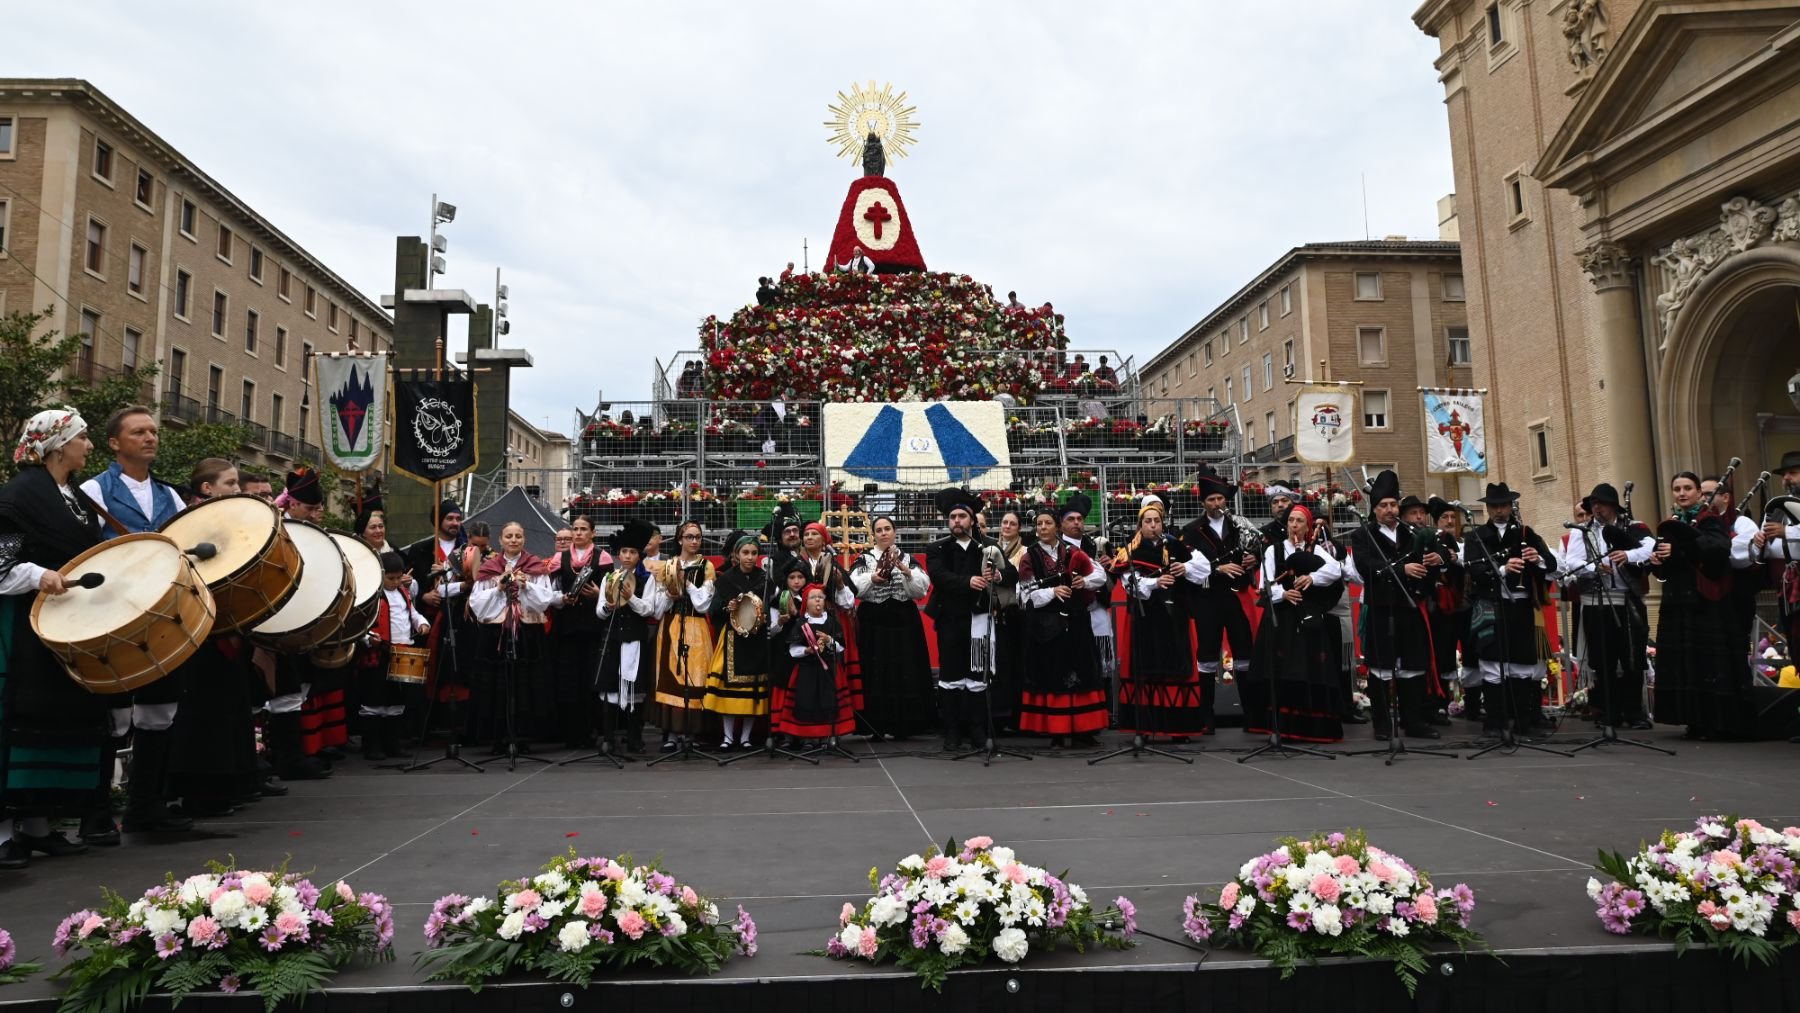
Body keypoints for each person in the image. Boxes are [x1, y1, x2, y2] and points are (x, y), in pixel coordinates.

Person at [0, 409, 111, 869]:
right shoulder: (19, 494)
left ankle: (39, 826)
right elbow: (1, 564)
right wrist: (38, 574)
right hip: (21, 625)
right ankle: (3, 833)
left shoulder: (76, 497)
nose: (89, 445)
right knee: (14, 722)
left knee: (54, 720)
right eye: (83, 437)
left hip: (62, 626)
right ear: (59, 443)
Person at [77, 407, 192, 835]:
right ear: (114, 443)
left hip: (162, 616)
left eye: (153, 431)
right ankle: (97, 812)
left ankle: (147, 804)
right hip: (113, 614)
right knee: (114, 717)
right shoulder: (94, 490)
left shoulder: (172, 496)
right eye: (139, 432)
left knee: (159, 711)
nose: (150, 438)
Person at [164, 459, 263, 818]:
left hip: (226, 626)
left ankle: (229, 784)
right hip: (199, 625)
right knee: (204, 711)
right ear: (207, 489)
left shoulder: (225, 520)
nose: (237, 490)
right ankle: (201, 791)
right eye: (231, 483)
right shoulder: (191, 524)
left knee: (228, 707)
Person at [1649, 473, 1752, 740]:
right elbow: (1668, 566)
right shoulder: (1671, 523)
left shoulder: (1710, 520)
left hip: (1705, 603)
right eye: (1676, 489)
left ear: (1698, 493)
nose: (1682, 493)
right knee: (1685, 663)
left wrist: (1681, 550)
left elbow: (1719, 549)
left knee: (1707, 662)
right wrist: (1657, 560)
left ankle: (1714, 722)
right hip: (1677, 602)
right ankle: (1692, 719)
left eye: (1687, 488)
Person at [1344, 470, 1445, 740]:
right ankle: (1381, 724)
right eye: (1384, 506)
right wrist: (1401, 570)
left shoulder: (1414, 532)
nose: (1390, 510)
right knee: (1381, 668)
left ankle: (1414, 721)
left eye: (1393, 504)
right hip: (1381, 608)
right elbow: (1367, 567)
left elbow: (1431, 563)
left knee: (1413, 666)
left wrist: (1435, 561)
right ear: (1374, 509)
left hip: (1411, 606)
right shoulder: (1363, 535)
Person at [924, 488, 1015, 751]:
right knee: (951, 675)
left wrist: (997, 577)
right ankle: (951, 731)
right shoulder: (937, 548)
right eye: (952, 517)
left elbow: (1011, 575)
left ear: (972, 520)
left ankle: (977, 729)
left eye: (962, 516)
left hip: (979, 620)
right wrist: (969, 581)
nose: (956, 521)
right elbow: (939, 576)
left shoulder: (988, 547)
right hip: (950, 620)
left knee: (978, 675)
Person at [1246, 503, 1346, 743]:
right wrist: (1284, 594)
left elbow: (1335, 570)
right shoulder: (1274, 550)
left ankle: (1307, 725)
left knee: (1308, 666)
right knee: (1281, 667)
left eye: (1300, 521)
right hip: (1282, 617)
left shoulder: (1316, 550)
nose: (1294, 525)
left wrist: (1312, 577)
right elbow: (1265, 584)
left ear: (1307, 526)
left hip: (1307, 616)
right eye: (1291, 520)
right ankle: (1279, 725)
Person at [1462, 483, 1554, 741]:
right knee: (1492, 664)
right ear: (1488, 508)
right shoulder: (1476, 536)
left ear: (1510, 506)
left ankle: (1523, 719)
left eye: (1503, 505)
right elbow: (1473, 569)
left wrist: (1537, 559)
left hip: (1522, 604)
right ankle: (1494, 720)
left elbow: (1552, 564)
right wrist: (1502, 569)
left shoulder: (1526, 533)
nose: (1499, 511)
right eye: (1494, 506)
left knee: (1521, 663)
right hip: (1491, 604)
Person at [1561, 483, 1655, 730]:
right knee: (1603, 660)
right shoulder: (1583, 531)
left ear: (1613, 505)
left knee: (1632, 658)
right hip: (1596, 602)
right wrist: (1594, 567)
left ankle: (1634, 712)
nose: (1596, 508)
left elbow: (1651, 548)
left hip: (1627, 600)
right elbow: (1571, 560)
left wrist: (1628, 555)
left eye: (1600, 503)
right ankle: (1609, 711)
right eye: (1593, 504)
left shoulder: (1633, 527)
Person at [1014, 509, 1110, 748]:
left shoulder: (1073, 552)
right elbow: (1025, 593)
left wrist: (1083, 581)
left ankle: (1082, 731)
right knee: (1053, 677)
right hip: (1047, 628)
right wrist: (1052, 591)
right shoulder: (1030, 556)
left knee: (1082, 675)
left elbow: (1098, 574)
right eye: (1039, 523)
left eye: (1047, 523)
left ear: (1057, 526)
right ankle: (1057, 732)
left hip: (1076, 623)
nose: (1043, 527)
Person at [262, 468, 335, 782]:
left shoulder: (308, 532)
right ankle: (278, 758)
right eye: (308, 508)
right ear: (292, 505)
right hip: (273, 619)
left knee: (294, 689)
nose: (314, 513)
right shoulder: (275, 529)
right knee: (275, 691)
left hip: (300, 619)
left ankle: (292, 755)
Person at [1112, 496, 1206, 740]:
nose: (1153, 525)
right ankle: (1144, 728)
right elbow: (1130, 585)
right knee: (1146, 668)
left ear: (1162, 523)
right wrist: (1156, 582)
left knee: (1176, 666)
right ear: (1140, 524)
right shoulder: (1131, 550)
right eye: (1148, 521)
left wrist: (1184, 569)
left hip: (1175, 615)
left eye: (1156, 520)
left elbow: (1204, 568)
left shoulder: (1176, 546)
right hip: (1146, 617)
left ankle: (1179, 728)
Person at [467, 521, 558, 751]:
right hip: (497, 633)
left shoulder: (534, 566)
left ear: (524, 539)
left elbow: (545, 600)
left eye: (518, 536)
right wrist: (498, 589)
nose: (514, 540)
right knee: (497, 683)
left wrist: (526, 585)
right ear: (501, 540)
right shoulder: (490, 567)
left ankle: (523, 736)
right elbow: (476, 603)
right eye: (509, 536)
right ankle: (498, 736)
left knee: (525, 683)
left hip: (527, 632)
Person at [1180, 469, 1258, 733]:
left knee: (1244, 654)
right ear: (1203, 502)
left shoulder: (1239, 526)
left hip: (1236, 597)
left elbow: (1255, 552)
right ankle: (1206, 718)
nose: (1216, 504)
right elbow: (1187, 566)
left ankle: (1251, 716)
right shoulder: (1191, 531)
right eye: (1211, 500)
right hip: (1208, 599)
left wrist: (1251, 560)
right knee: (1208, 656)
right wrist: (1217, 570)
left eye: (1220, 499)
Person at [849, 516, 933, 741]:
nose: (884, 533)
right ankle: (876, 724)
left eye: (887, 529)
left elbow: (921, 590)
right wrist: (871, 579)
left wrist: (907, 572)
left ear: (895, 532)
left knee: (905, 668)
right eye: (879, 530)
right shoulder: (864, 559)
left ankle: (905, 724)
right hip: (873, 622)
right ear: (873, 534)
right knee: (875, 670)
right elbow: (853, 586)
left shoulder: (907, 558)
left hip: (903, 621)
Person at [706, 531, 782, 750]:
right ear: (736, 555)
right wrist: (726, 608)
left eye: (753, 553)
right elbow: (713, 612)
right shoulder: (726, 580)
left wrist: (769, 616)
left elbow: (774, 604)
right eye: (745, 553)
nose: (750, 557)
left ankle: (746, 737)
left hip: (757, 640)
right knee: (729, 691)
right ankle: (728, 737)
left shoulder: (764, 579)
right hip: (732, 639)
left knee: (752, 692)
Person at [593, 518, 659, 753]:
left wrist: (630, 597)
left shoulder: (647, 579)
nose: (628, 555)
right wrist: (609, 607)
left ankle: (634, 737)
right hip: (613, 638)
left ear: (639, 555)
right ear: (618, 554)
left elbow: (649, 610)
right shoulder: (608, 578)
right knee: (610, 688)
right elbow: (600, 612)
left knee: (634, 690)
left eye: (633, 552)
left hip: (635, 639)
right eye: (624, 551)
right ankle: (608, 738)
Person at [652, 520, 716, 751]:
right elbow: (657, 607)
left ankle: (691, 733)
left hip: (696, 627)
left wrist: (686, 583)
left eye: (697, 537)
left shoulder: (706, 566)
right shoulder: (666, 566)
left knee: (696, 677)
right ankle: (671, 733)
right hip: (670, 625)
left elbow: (702, 604)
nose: (694, 541)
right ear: (680, 539)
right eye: (689, 536)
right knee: (670, 675)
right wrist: (670, 594)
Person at [358, 552, 429, 761]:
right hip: (379, 653)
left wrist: (422, 623)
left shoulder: (403, 593)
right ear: (380, 575)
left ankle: (393, 744)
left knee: (398, 700)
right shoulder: (371, 596)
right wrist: (368, 638)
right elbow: (359, 622)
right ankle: (372, 746)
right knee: (375, 698)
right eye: (391, 578)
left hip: (404, 649)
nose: (396, 582)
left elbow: (412, 613)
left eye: (399, 577)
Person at [548, 518, 609, 748]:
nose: (579, 533)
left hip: (594, 627)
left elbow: (608, 591)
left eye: (584, 529)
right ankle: (571, 732)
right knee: (569, 680)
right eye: (575, 529)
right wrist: (561, 599)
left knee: (592, 679)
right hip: (567, 627)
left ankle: (594, 729)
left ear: (593, 532)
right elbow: (550, 591)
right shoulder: (559, 559)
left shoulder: (602, 558)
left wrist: (597, 596)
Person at [1057, 493, 1115, 693]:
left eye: (1080, 519)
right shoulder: (1057, 546)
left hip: (1096, 607)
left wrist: (1110, 566)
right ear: (1062, 524)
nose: (1076, 523)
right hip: (1067, 612)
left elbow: (1110, 578)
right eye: (1071, 519)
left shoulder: (1094, 544)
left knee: (1100, 657)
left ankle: (1103, 702)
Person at [781, 585, 852, 746]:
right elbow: (793, 649)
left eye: (821, 597)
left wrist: (828, 641)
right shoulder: (801, 623)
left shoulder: (831, 622)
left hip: (828, 670)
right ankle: (808, 737)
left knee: (828, 702)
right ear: (806, 602)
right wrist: (807, 650)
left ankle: (826, 736)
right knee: (807, 701)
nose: (818, 600)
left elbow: (840, 647)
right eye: (813, 597)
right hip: (807, 670)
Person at [1429, 498, 1478, 722]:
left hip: (1467, 607)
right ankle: (1441, 703)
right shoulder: (1433, 541)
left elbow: (1473, 560)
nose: (1449, 521)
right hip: (1444, 609)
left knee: (1472, 654)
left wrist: (1457, 557)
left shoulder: (1466, 542)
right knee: (1443, 654)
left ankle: (1474, 703)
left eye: (1452, 517)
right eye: (1444, 517)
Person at [989, 510, 1029, 732]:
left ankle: (1015, 715)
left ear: (1019, 528)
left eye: (1012, 523)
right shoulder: (993, 548)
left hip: (1015, 611)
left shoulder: (1023, 551)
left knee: (1014, 664)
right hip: (994, 610)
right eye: (1004, 522)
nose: (1007, 526)